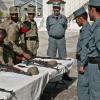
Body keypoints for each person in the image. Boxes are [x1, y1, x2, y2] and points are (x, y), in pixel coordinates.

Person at [83, 0, 100, 99]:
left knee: (95, 95)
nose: (88, 13)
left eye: (88, 10)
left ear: (92, 10)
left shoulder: (98, 27)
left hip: (96, 65)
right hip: (95, 64)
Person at [73, 7, 91, 100]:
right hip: (82, 61)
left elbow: (85, 49)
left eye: (76, 19)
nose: (76, 22)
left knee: (83, 87)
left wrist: (82, 64)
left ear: (80, 18)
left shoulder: (86, 31)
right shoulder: (85, 29)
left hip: (84, 63)